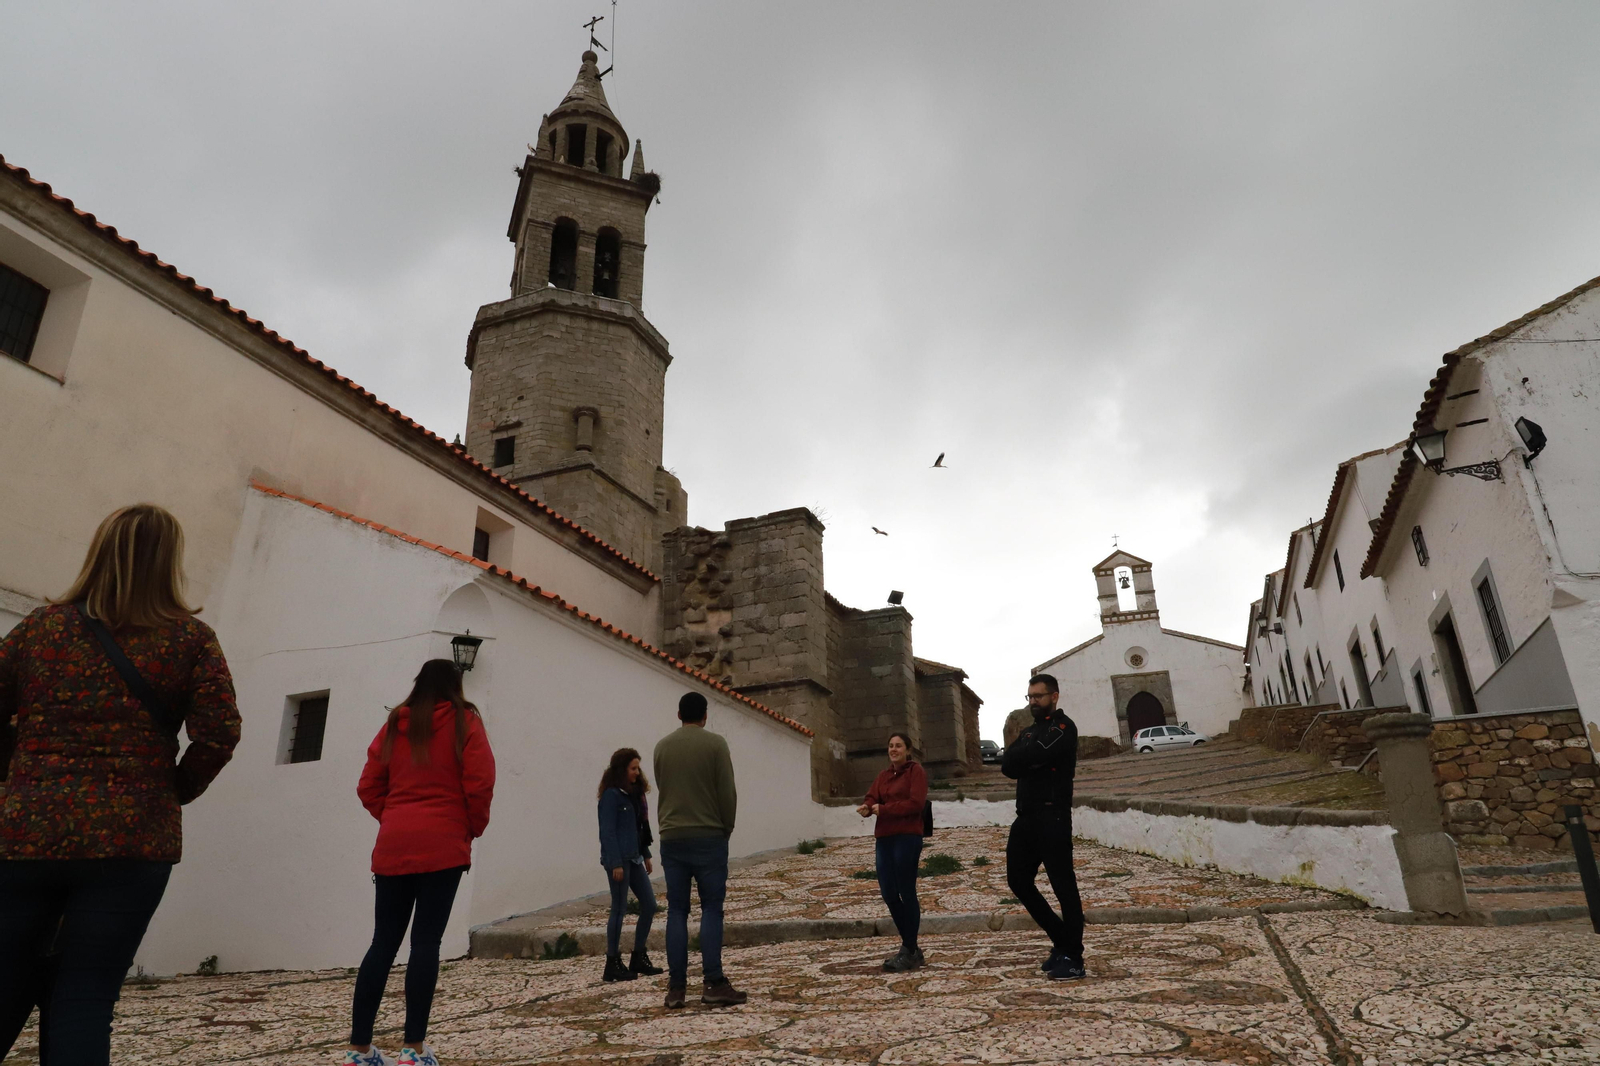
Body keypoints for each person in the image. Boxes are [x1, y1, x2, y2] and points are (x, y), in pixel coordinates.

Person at [0, 503, 241, 1065]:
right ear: (169, 563)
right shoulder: (190, 640)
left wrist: (16, 778)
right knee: (85, 998)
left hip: (28, 834)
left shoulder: (40, 628)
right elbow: (219, 734)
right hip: (132, 843)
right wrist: (171, 790)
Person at [346, 660, 496, 1066]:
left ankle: (359, 1049)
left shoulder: (396, 723)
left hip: (393, 846)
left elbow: (368, 784)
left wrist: (393, 817)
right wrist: (469, 828)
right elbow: (479, 783)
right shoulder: (466, 722)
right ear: (456, 684)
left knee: (382, 943)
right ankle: (412, 1050)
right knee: (425, 943)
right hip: (443, 846)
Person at [652, 691, 745, 1009]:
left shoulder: (661, 747)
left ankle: (676, 987)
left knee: (677, 910)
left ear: (678, 715)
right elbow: (726, 792)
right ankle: (713, 981)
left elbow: (663, 787)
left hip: (672, 836)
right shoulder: (716, 744)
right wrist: (725, 829)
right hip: (708, 836)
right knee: (711, 908)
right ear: (705, 716)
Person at [1000, 673, 1086, 981]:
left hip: (1053, 817)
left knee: (1064, 886)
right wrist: (1028, 756)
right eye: (1030, 697)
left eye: (1039, 696)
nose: (1034, 701)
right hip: (1025, 818)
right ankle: (1062, 941)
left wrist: (1029, 756)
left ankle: (1073, 957)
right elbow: (1008, 765)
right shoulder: (1029, 731)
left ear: (1054, 696)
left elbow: (1035, 754)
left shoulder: (1064, 727)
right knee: (1018, 882)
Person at [857, 731, 929, 972]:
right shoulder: (883, 775)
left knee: (906, 891)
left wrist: (884, 810)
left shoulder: (915, 772)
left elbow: (916, 803)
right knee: (888, 891)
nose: (894, 749)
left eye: (898, 746)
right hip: (885, 838)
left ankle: (909, 949)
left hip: (907, 836)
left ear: (907, 749)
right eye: (890, 746)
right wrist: (867, 806)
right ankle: (912, 948)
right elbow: (872, 795)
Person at [596, 747, 662, 982]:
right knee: (619, 908)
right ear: (622, 769)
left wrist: (645, 854)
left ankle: (638, 955)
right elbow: (608, 832)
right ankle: (612, 961)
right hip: (619, 862)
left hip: (634, 858)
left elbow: (639, 828)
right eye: (633, 768)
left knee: (650, 905)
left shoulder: (633, 795)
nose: (637, 772)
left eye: (638, 768)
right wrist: (615, 863)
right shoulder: (611, 797)